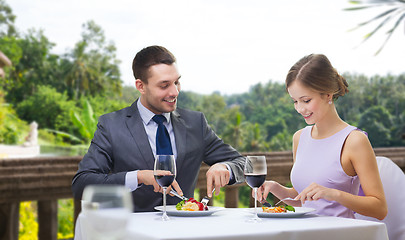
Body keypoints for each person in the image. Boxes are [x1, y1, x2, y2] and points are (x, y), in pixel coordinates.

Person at [71, 45, 246, 212]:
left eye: (177, 82)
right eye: (164, 85)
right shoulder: (111, 125)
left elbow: (245, 164)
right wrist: (138, 176)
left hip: (185, 231)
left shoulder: (195, 123)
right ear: (141, 86)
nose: (175, 92)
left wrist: (225, 167)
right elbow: (82, 184)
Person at [258, 54, 387, 220]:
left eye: (306, 100)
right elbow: (303, 200)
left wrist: (334, 194)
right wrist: (275, 188)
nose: (299, 109)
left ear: (328, 94)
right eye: (295, 101)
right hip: (306, 232)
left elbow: (380, 209)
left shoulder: (354, 140)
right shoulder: (300, 137)